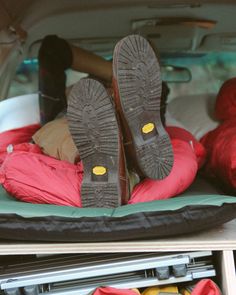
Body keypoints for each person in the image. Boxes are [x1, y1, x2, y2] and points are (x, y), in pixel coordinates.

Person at [36, 34, 174, 207]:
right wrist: (111, 75)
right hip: (71, 124)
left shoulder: (153, 99)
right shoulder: (86, 88)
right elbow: (52, 48)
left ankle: (119, 170)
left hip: (121, 134)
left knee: (140, 136)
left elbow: (154, 149)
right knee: (69, 131)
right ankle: (122, 172)